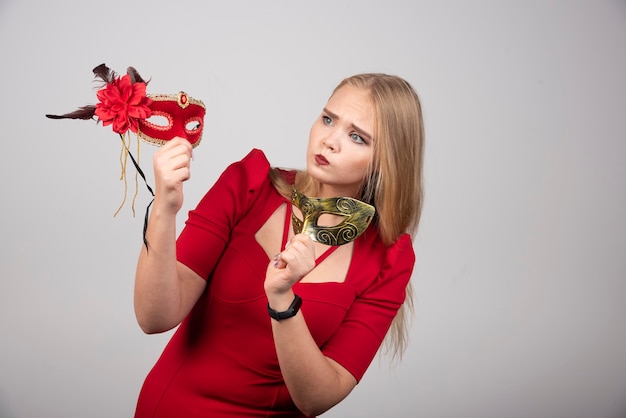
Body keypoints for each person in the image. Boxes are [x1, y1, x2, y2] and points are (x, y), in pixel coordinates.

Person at [133, 73, 425, 417]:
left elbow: (318, 398)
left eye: (357, 137)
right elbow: (155, 318)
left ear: (388, 160)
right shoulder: (248, 186)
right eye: (328, 119)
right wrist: (164, 211)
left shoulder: (389, 260)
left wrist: (283, 300)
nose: (329, 141)